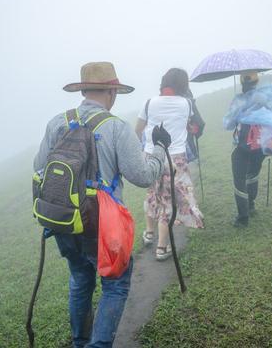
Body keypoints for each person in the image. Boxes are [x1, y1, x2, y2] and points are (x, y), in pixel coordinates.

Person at [34, 62, 170, 347]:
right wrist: (159, 148)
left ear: (83, 90)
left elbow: (39, 171)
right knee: (115, 283)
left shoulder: (56, 123)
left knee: (80, 278)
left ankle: (80, 342)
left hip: (64, 220)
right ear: (111, 92)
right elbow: (143, 176)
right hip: (101, 225)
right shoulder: (117, 128)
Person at [135, 68, 204, 260]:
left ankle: (149, 233)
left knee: (152, 194)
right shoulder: (186, 103)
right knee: (168, 201)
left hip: (151, 156)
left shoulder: (149, 103)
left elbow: (138, 130)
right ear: (184, 85)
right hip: (175, 158)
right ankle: (162, 248)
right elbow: (189, 126)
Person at [223, 72, 272, 227]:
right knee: (252, 174)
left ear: (241, 83)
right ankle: (251, 205)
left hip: (241, 146)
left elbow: (228, 125)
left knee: (239, 180)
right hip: (260, 145)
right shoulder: (267, 98)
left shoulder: (238, 100)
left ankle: (242, 217)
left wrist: (236, 111)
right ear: (257, 82)